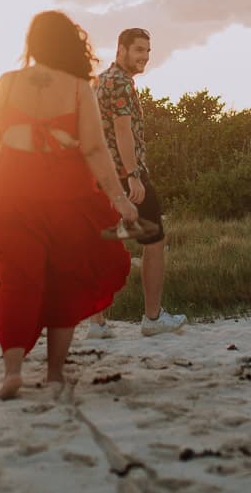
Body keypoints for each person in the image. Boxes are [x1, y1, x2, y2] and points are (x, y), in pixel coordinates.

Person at [0, 10, 141, 399]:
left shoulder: (6, 82)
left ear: (32, 44)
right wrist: (120, 199)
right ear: (70, 43)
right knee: (66, 282)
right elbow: (95, 150)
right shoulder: (76, 88)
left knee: (19, 280)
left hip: (10, 191)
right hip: (66, 195)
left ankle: (12, 372)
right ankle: (54, 374)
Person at [91, 27, 187, 337]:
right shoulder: (120, 83)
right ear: (121, 50)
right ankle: (153, 319)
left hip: (101, 174)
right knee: (155, 241)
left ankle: (97, 322)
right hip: (124, 174)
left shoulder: (101, 80)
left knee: (104, 243)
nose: (145, 57)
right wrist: (133, 175)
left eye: (147, 51)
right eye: (139, 50)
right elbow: (122, 132)